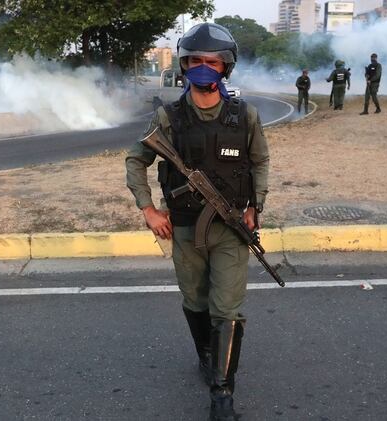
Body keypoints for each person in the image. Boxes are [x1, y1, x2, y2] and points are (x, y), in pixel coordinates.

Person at [125, 22, 270, 421]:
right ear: (184, 66)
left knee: (228, 306)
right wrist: (148, 209)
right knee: (195, 299)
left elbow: (259, 162)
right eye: (195, 61)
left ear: (226, 67)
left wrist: (256, 206)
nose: (203, 67)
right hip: (184, 227)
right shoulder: (168, 118)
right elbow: (135, 160)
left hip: (230, 229)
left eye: (212, 61)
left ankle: (222, 396)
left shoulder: (245, 116)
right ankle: (207, 354)